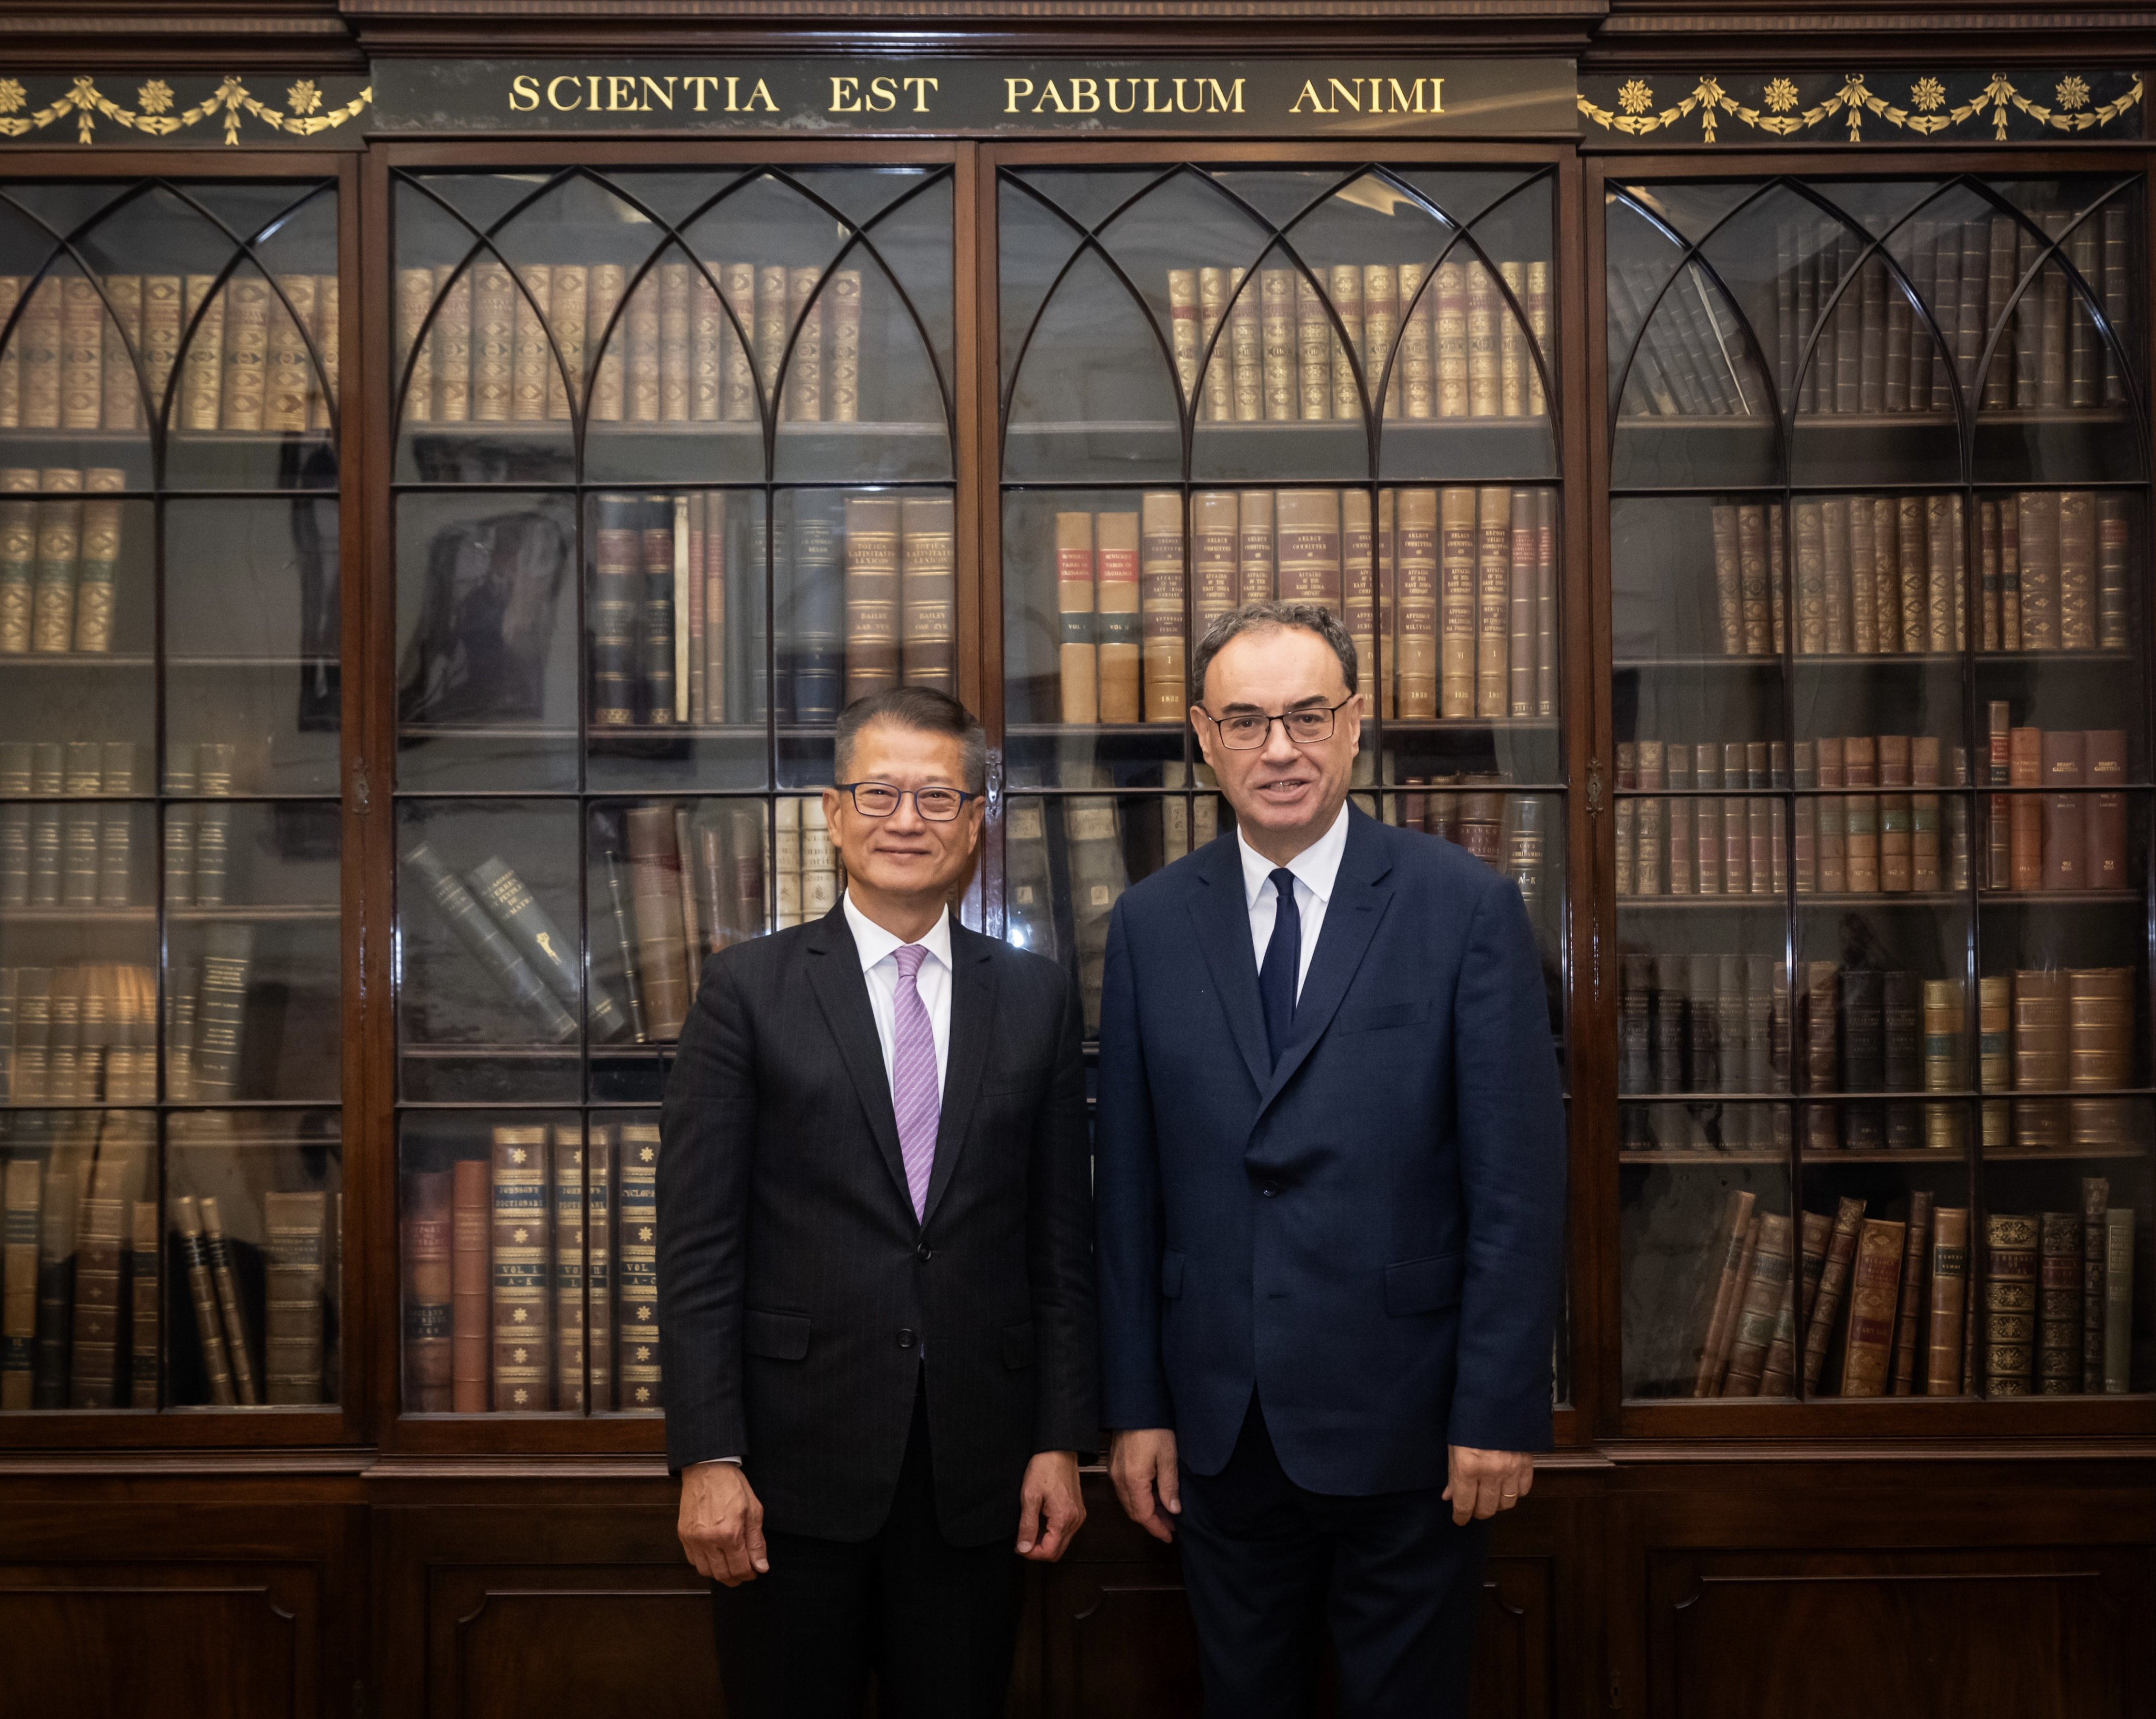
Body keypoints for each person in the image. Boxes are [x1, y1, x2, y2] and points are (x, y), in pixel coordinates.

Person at [1094, 601, 1566, 1718]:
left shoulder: (1463, 907)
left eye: (1307, 716)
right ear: (1202, 738)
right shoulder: (1150, 923)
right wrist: (1135, 1407)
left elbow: (1514, 1184)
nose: (1279, 749)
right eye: (1246, 721)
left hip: (1409, 1420)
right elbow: (1129, 1188)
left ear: (1357, 725)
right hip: (1217, 1425)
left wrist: (1496, 1410)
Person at [658, 685, 1097, 1719]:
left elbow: (1059, 1241)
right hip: (784, 1474)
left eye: (939, 796)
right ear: (832, 810)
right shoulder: (746, 990)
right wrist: (707, 1457)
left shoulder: (1032, 996)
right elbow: (698, 1249)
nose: (908, 819)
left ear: (978, 820)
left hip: (977, 1473)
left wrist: (1057, 1439)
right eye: (882, 791)